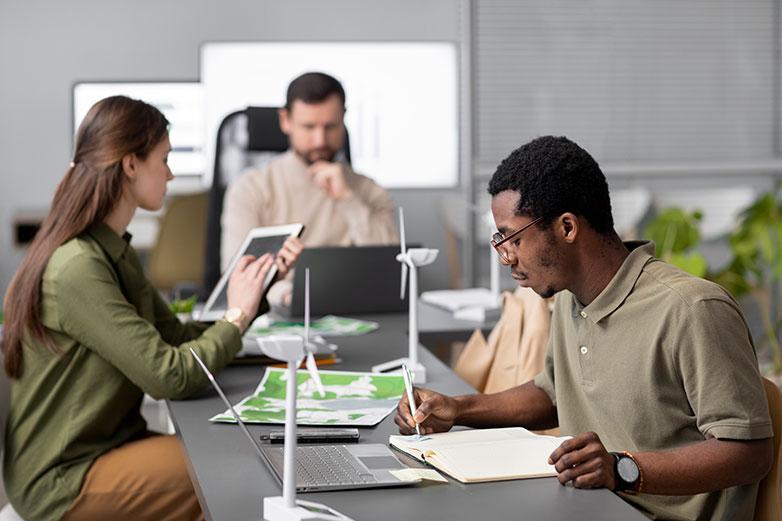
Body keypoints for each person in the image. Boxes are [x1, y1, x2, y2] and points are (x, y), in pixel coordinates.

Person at [395, 136, 773, 520]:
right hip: (583, 507)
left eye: (513, 239)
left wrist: (622, 469)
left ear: (568, 228)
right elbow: (553, 393)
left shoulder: (691, 309)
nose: (506, 258)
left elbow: (749, 453)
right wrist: (457, 409)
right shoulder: (567, 299)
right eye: (500, 241)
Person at [1, 96, 301, 521]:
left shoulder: (111, 251)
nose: (170, 173)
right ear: (130, 165)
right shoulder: (78, 267)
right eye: (164, 158)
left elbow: (174, 338)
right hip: (64, 479)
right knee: (237, 464)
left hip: (108, 447)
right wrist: (236, 317)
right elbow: (170, 375)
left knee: (239, 450)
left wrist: (250, 298)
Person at [221, 72, 398, 304]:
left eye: (330, 126)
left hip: (353, 311)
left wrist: (347, 200)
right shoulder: (251, 188)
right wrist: (287, 296)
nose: (320, 140)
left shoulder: (369, 191)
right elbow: (238, 276)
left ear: (343, 119)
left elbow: (391, 269)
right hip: (278, 311)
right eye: (308, 127)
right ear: (286, 121)